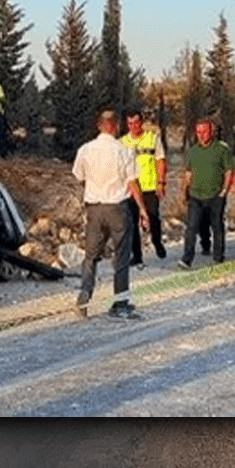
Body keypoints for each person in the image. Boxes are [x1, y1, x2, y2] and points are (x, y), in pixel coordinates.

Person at [72, 110, 151, 320]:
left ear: (99, 126)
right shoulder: (123, 150)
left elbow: (79, 177)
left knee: (91, 256)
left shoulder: (85, 149)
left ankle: (85, 295)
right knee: (121, 256)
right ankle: (120, 302)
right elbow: (132, 183)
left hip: (94, 209)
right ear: (116, 127)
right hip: (117, 208)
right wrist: (142, 210)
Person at [178, 118, 235, 269]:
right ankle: (187, 259)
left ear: (212, 131)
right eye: (198, 132)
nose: (201, 135)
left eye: (204, 131)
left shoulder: (221, 149)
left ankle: (218, 256)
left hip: (215, 195)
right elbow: (188, 173)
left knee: (217, 226)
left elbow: (229, 171)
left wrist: (225, 190)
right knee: (191, 228)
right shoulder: (193, 151)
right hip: (195, 196)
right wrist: (184, 191)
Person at [120, 108, 168, 266]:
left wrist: (161, 183)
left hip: (149, 187)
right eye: (130, 123)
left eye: (136, 123)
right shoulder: (122, 143)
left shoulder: (152, 138)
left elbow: (160, 160)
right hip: (131, 189)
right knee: (132, 223)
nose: (133, 126)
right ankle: (137, 256)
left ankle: (157, 241)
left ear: (141, 123)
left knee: (153, 217)